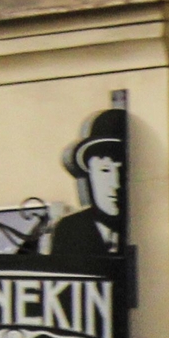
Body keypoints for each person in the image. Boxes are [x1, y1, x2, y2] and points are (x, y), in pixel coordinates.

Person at [46, 107, 127, 257]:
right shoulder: (70, 229)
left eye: (123, 171)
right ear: (89, 173)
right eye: (105, 170)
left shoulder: (147, 227)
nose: (115, 185)